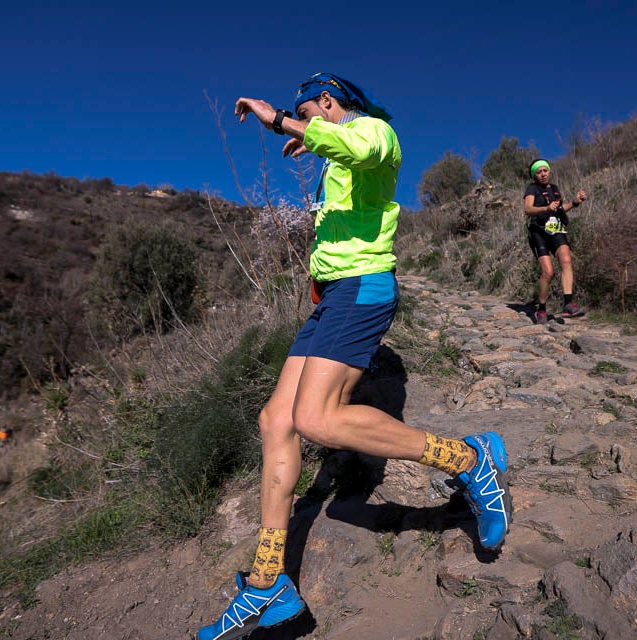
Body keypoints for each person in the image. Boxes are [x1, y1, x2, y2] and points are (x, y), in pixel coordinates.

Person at [196, 73, 512, 640]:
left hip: (365, 286)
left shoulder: (376, 133)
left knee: (317, 418)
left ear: (327, 102)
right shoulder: (336, 158)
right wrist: (312, 139)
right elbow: (338, 158)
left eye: (310, 111)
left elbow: (358, 145)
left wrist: (280, 121)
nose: (306, 123)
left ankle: (468, 460)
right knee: (277, 420)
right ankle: (269, 579)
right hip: (334, 296)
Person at [523, 159, 588, 325]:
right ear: (534, 175)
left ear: (549, 171)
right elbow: (528, 209)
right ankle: (541, 309)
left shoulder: (555, 189)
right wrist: (545, 208)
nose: (543, 174)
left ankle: (568, 304)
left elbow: (558, 209)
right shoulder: (532, 188)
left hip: (556, 230)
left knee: (566, 260)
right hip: (539, 232)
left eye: (545, 170)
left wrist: (575, 202)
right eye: (539, 172)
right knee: (548, 273)